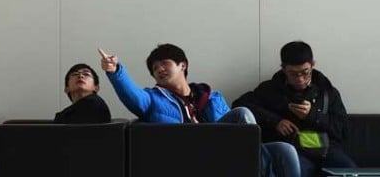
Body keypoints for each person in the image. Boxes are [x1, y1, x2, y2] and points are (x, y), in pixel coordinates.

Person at [100, 43, 300, 177]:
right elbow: (132, 96)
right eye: (154, 68)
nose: (159, 69)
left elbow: (234, 134)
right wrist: (116, 72)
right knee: (242, 114)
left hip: (224, 152)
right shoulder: (152, 99)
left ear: (182, 65)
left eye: (164, 63)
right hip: (189, 154)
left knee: (285, 150)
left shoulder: (211, 96)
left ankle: (255, 167)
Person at [234, 41, 357, 177]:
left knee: (349, 170)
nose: (300, 80)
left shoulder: (327, 91)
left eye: (305, 73)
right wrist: (276, 121)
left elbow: (343, 130)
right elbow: (240, 105)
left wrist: (313, 115)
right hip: (292, 149)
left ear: (312, 65)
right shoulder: (270, 89)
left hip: (326, 150)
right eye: (293, 74)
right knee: (295, 168)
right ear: (283, 68)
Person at [0, 62, 112, 177]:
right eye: (75, 74)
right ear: (66, 88)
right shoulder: (71, 111)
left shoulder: (95, 104)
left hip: (70, 163)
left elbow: (77, 140)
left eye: (86, 74)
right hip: (56, 157)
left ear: (96, 87)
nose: (80, 75)